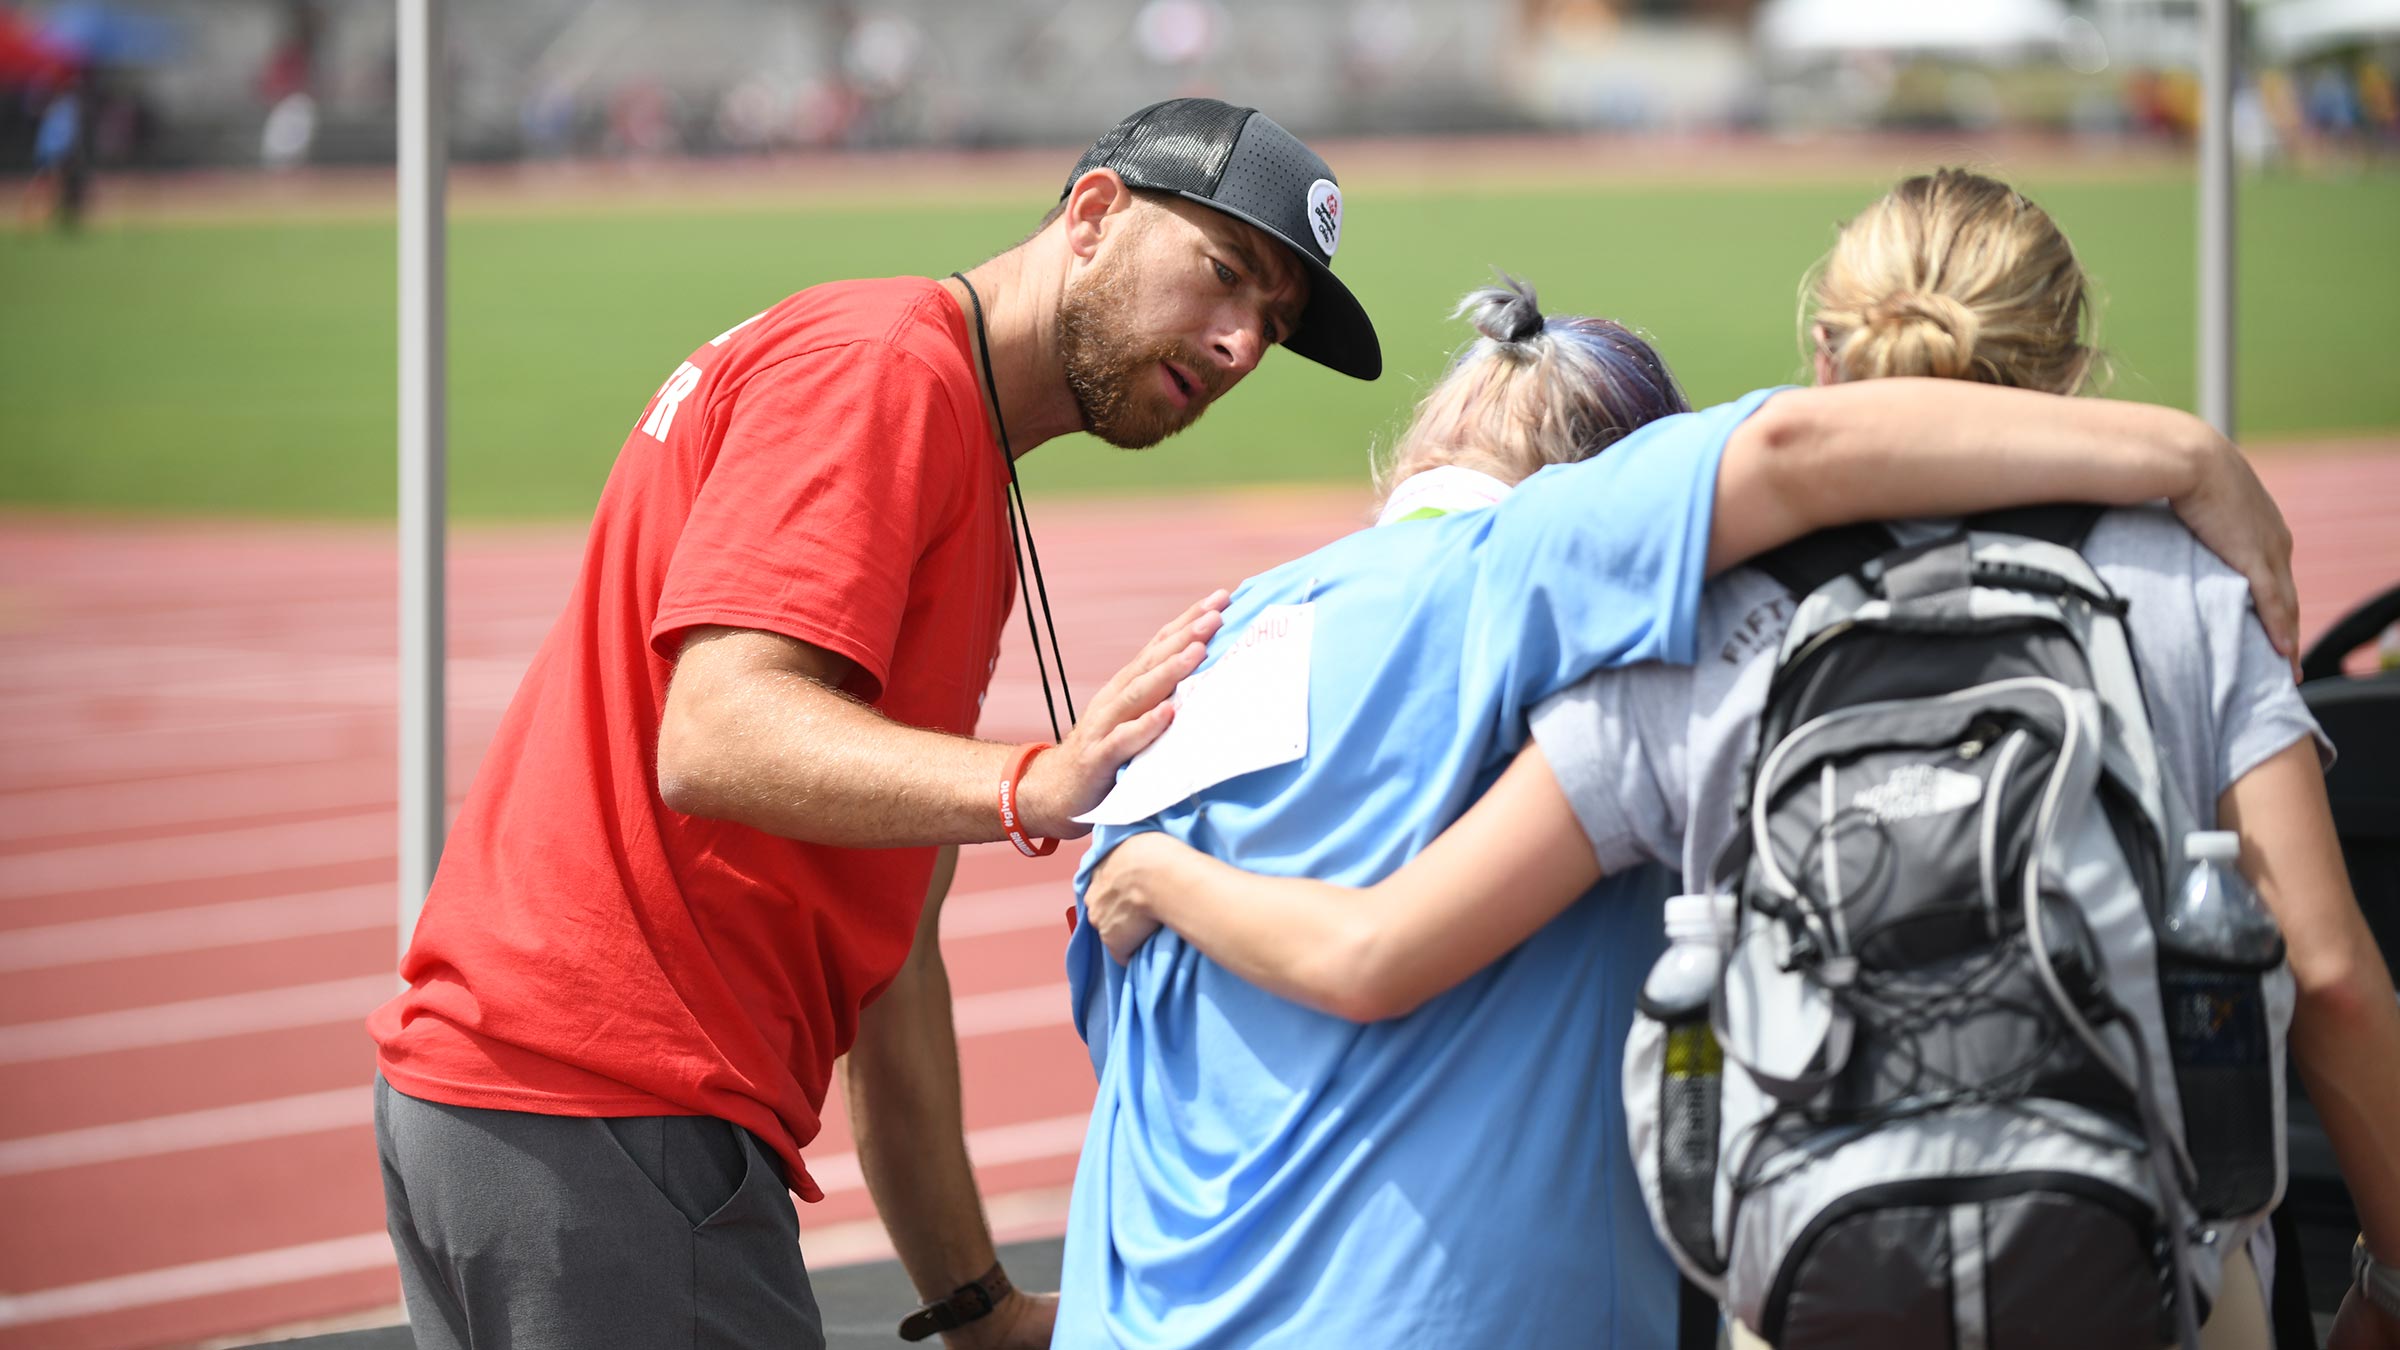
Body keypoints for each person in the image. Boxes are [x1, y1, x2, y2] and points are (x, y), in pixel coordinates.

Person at [1083, 170, 2400, 1349]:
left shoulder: (1696, 633)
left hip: (1826, 1266)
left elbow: (1380, 951)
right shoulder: (2188, 583)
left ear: (1822, 356)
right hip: (2149, 1262)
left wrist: (1155, 875)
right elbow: (2330, 972)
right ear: (2071, 368)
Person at [366, 98, 1383, 1350]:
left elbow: (895, 965)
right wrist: (1034, 781)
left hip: (548, 1122)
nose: (1238, 344)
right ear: (1095, 213)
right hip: (607, 1120)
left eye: (1272, 326)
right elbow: (718, 732)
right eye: (1225, 275)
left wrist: (978, 1306)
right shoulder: (886, 372)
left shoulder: (938, 425)